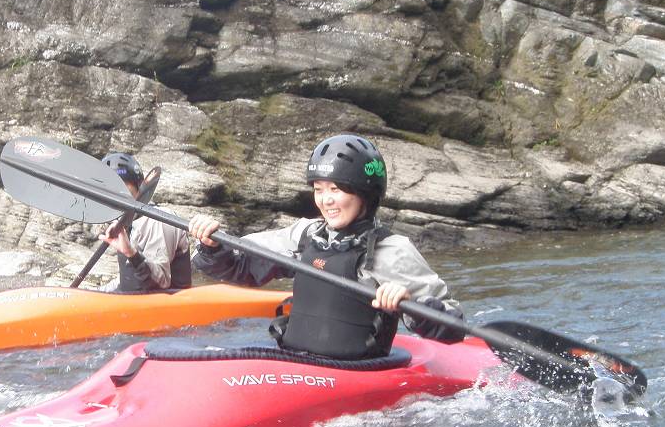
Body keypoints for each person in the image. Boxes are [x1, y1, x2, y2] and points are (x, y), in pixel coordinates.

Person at [187, 134, 464, 359]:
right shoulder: (306, 235)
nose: (325, 200)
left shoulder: (391, 251)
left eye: (335, 189)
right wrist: (212, 246)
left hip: (356, 375)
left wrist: (408, 303)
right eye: (318, 189)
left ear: (365, 194)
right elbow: (241, 267)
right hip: (297, 362)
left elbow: (452, 326)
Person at [99, 152, 192, 293]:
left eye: (123, 186)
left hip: (165, 302)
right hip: (132, 299)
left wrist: (132, 254)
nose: (116, 193)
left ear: (138, 188)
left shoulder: (158, 219)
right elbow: (126, 280)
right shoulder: (127, 221)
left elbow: (160, 281)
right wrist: (91, 293)